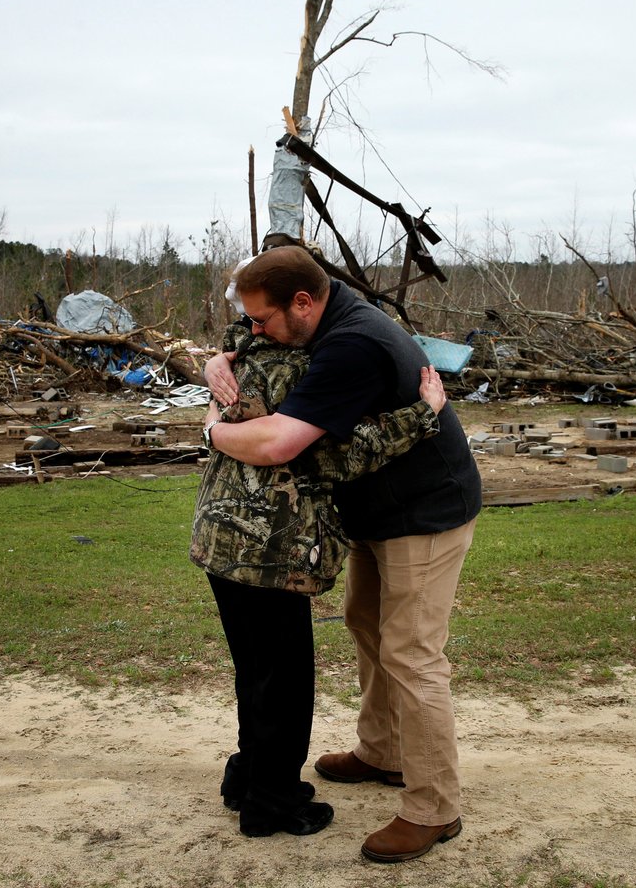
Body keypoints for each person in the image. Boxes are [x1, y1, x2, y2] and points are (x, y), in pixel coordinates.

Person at [203, 245, 481, 863]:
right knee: (365, 623)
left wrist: (213, 431)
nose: (253, 331)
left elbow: (286, 446)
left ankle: (433, 807)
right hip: (375, 509)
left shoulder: (351, 345)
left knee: (412, 652)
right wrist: (215, 361)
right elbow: (242, 345)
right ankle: (383, 751)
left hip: (423, 511)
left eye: (262, 320)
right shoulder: (321, 315)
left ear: (303, 302)